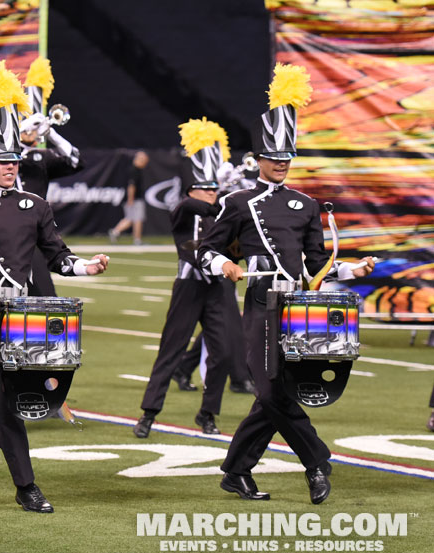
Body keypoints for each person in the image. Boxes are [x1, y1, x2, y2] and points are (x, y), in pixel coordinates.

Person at [0, 78, 109, 513]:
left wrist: (88, 266)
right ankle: (26, 487)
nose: (11, 167)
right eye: (2, 161)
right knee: (5, 399)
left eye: (15, 160)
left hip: (23, 311)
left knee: (8, 400)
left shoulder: (35, 205)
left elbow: (58, 257)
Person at [198, 64, 374, 504]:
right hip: (261, 302)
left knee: (276, 392)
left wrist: (352, 270)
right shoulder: (236, 202)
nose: (280, 164)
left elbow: (317, 264)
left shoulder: (307, 204)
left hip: (299, 307)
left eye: (286, 157)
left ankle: (236, 471)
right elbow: (206, 249)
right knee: (273, 388)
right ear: (258, 158)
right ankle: (317, 463)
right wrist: (224, 265)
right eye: (273, 157)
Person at [133, 118, 231, 439]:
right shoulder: (184, 209)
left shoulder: (222, 211)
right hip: (189, 287)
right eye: (205, 188)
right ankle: (149, 413)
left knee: (223, 352)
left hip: (217, 288)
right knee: (171, 349)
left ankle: (207, 413)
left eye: (214, 188)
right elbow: (191, 207)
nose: (211, 194)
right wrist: (218, 203)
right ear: (191, 189)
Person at [18, 57, 84, 296]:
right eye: (30, 126)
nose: (34, 132)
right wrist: (21, 131)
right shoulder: (5, 153)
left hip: (35, 231)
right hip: (5, 230)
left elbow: (76, 162)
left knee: (44, 296)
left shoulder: (41, 156)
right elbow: (5, 157)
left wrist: (52, 135)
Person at [108, 150, 149, 245]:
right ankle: (137, 240)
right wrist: (131, 199)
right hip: (135, 199)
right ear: (140, 160)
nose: (145, 164)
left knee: (130, 219)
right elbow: (131, 186)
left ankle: (115, 232)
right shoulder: (134, 170)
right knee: (138, 219)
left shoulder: (134, 170)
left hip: (132, 198)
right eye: (145, 161)